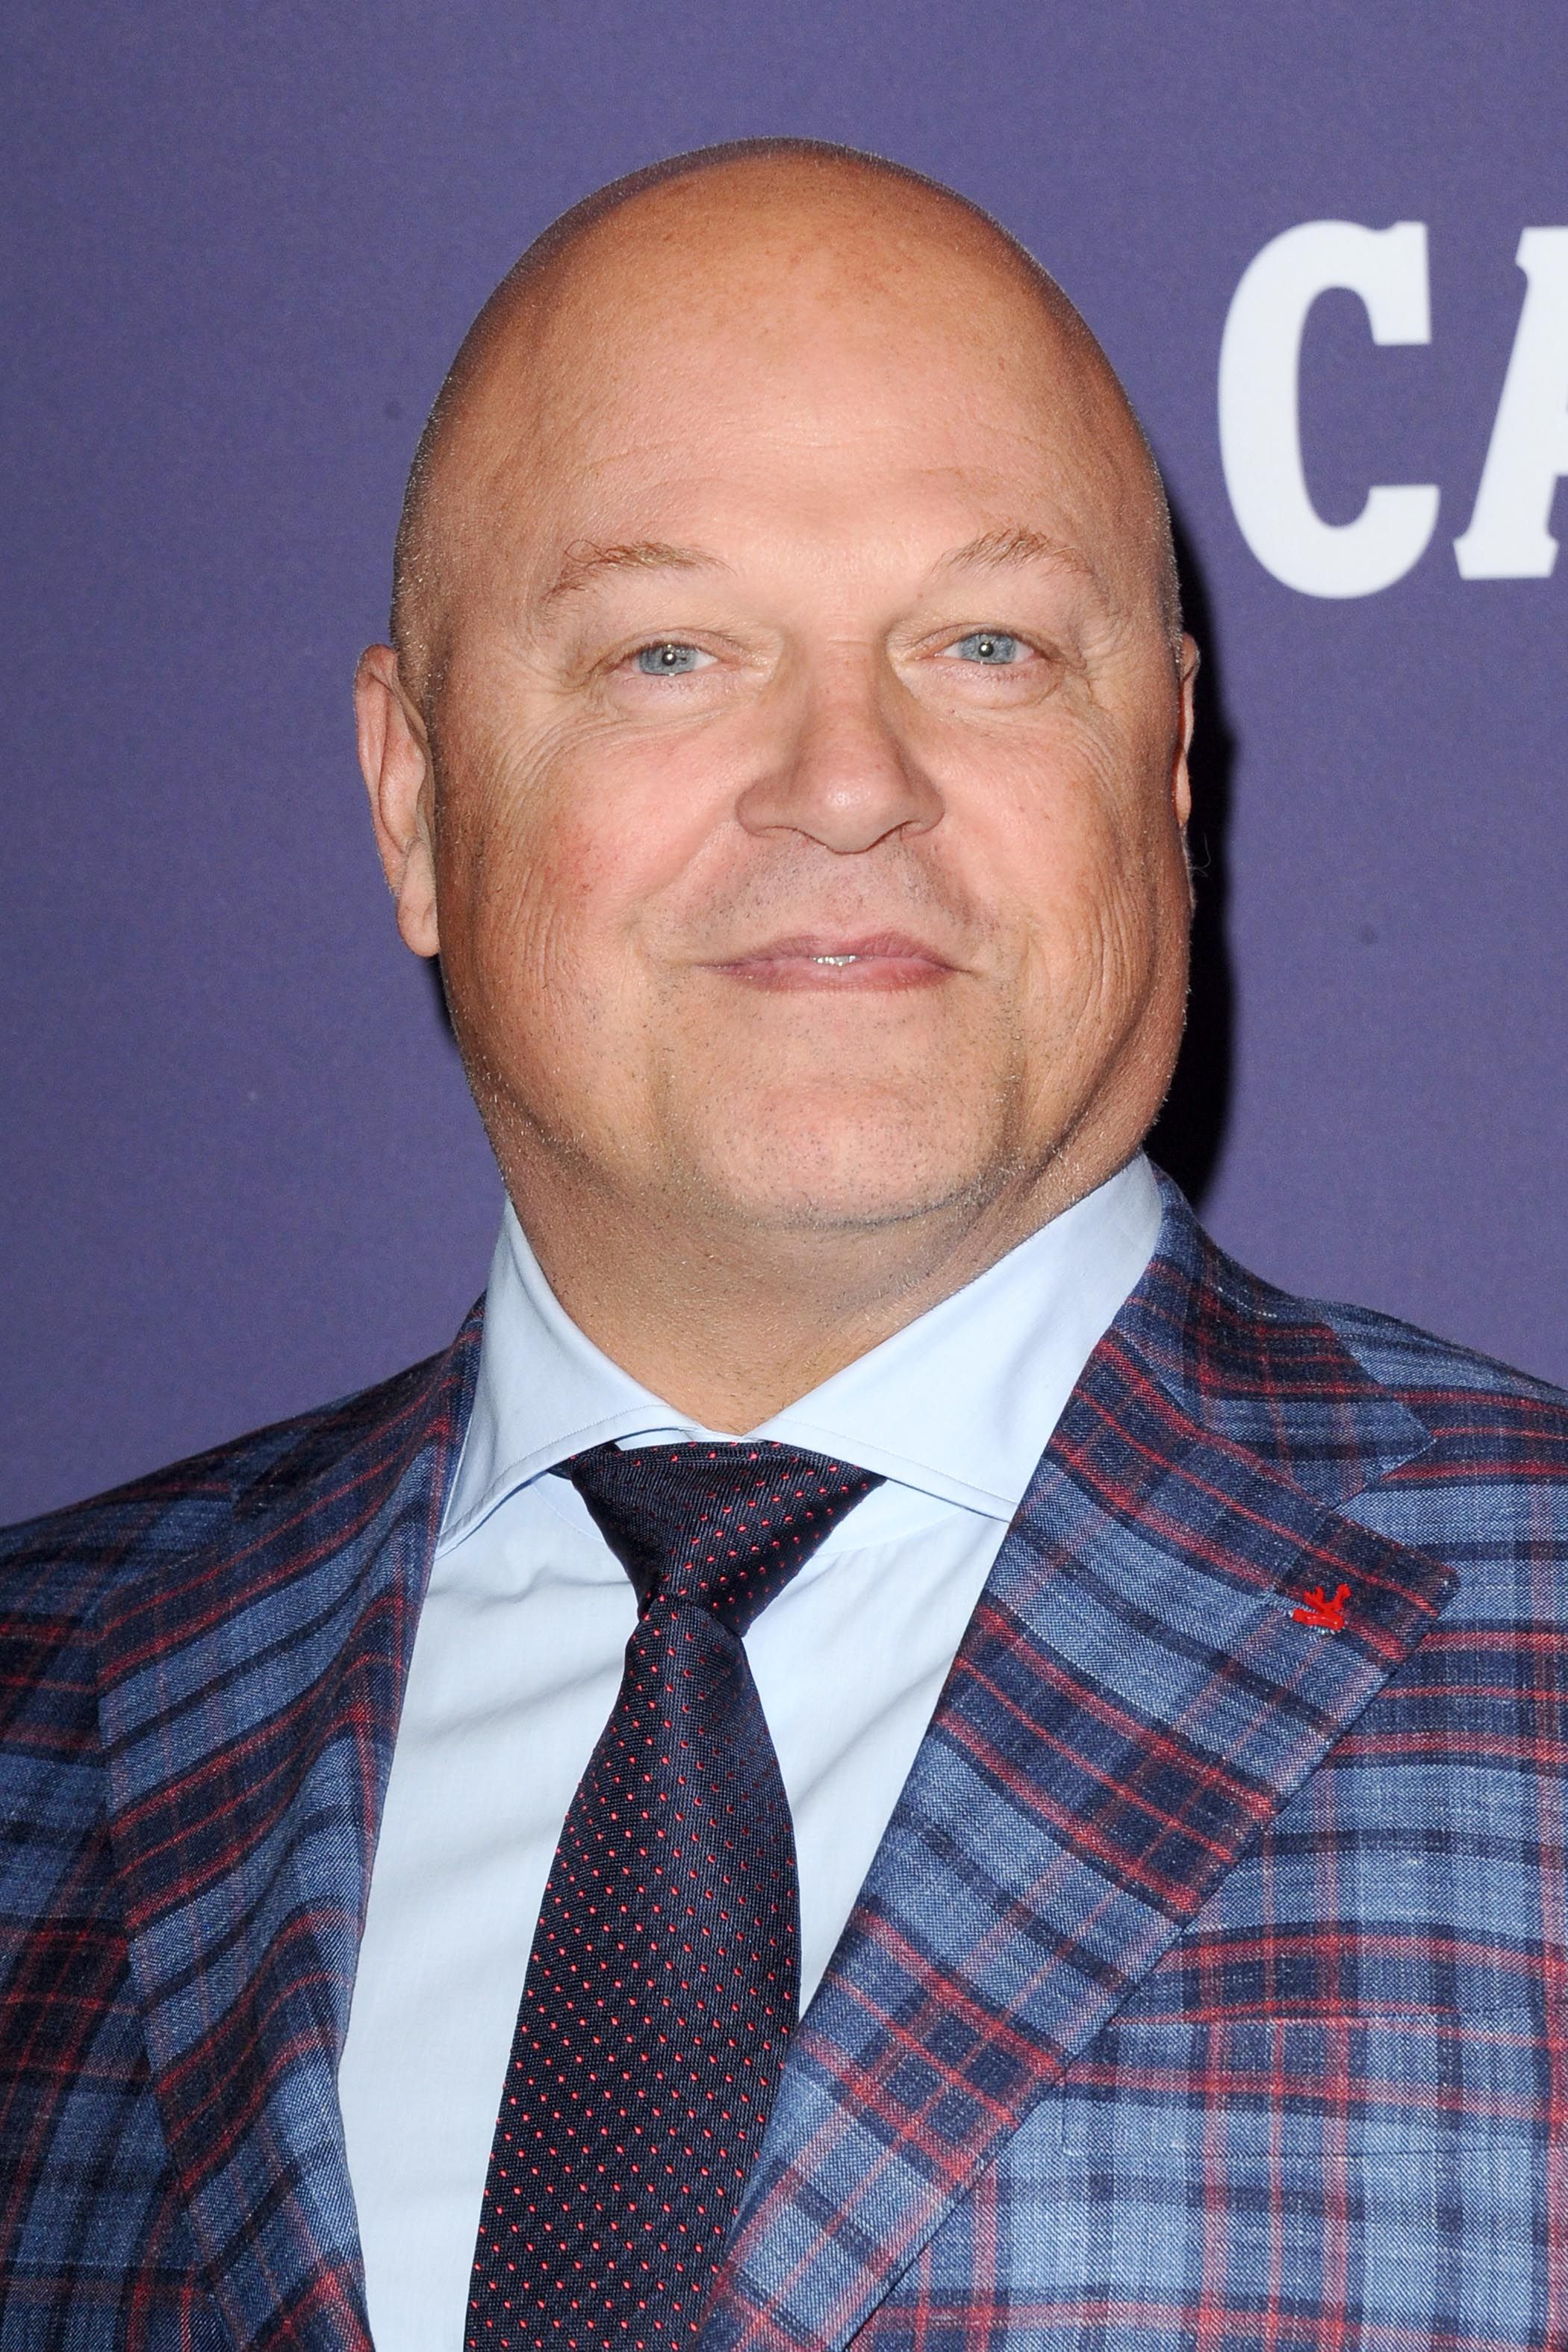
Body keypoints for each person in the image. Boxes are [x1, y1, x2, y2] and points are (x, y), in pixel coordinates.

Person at [2, 138, 1564, 2352]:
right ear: (414, 800)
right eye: (666, 651)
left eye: (987, 642)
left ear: (1172, 772)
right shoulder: (43, 1712)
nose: (847, 778)